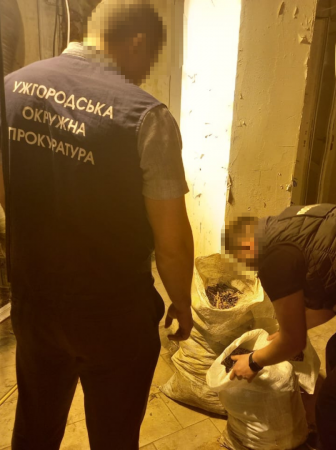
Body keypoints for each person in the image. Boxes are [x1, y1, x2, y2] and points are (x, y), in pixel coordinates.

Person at [0, 1, 194, 449]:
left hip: (35, 302)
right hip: (114, 315)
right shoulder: (147, 117)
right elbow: (171, 243)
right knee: (114, 436)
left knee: (35, 426)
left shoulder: (11, 88)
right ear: (137, 42)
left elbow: (7, 188)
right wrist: (182, 302)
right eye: (149, 59)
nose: (144, 73)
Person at [223, 203, 336, 450]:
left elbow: (294, 343)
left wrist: (254, 361)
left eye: (242, 260)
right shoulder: (290, 221)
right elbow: (329, 299)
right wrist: (289, 330)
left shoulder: (275, 259)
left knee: (332, 404)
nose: (249, 268)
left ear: (247, 246)